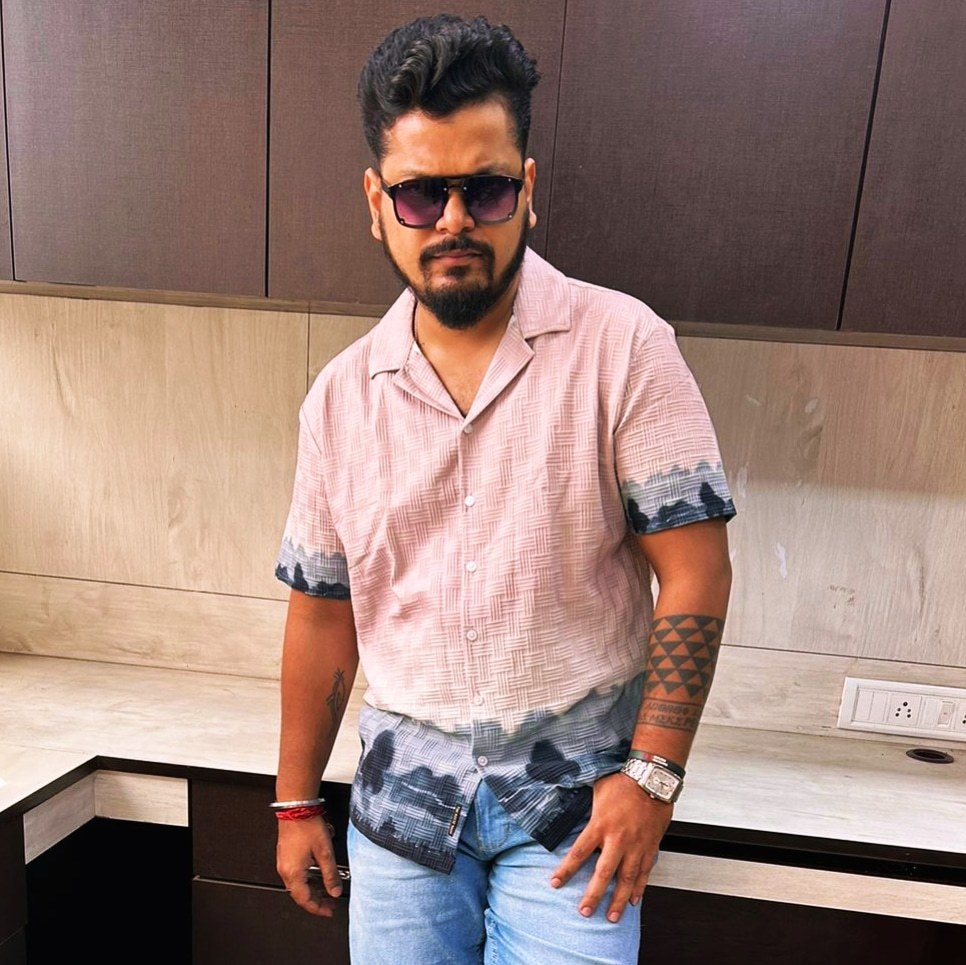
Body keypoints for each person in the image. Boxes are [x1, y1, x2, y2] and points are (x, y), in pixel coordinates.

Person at [273, 13, 735, 964]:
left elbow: (696, 570)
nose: (453, 221)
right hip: (403, 804)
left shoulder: (625, 348)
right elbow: (322, 613)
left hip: (578, 804)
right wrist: (293, 800)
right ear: (376, 201)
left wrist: (653, 780)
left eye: (483, 190)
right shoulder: (340, 399)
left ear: (525, 189)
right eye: (420, 194)